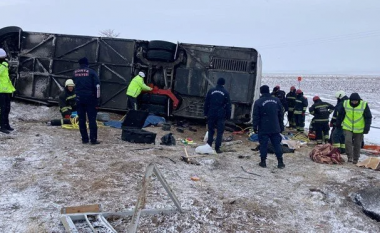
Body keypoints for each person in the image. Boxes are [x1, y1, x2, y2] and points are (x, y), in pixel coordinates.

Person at [252, 85, 285, 169]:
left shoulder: (258, 102)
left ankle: (263, 162)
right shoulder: (276, 100)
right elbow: (281, 115)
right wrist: (281, 126)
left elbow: (256, 116)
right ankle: (280, 162)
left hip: (263, 127)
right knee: (277, 144)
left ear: (261, 92)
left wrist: (255, 127)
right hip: (275, 126)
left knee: (263, 145)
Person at [336, 93, 372, 164]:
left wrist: (367, 127)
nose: (354, 102)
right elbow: (341, 114)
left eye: (355, 101)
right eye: (352, 101)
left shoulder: (364, 105)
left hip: (359, 128)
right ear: (350, 100)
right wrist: (338, 123)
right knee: (347, 141)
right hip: (347, 126)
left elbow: (368, 117)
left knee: (357, 144)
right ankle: (350, 157)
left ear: (358, 100)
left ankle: (356, 159)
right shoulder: (345, 103)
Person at [72, 57, 101, 145]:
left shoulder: (75, 73)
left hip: (79, 98)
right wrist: (98, 100)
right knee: (92, 119)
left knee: (81, 119)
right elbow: (98, 86)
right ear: (87, 63)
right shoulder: (91, 72)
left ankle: (84, 139)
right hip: (90, 99)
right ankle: (93, 139)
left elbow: (74, 85)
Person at [204, 78, 231, 154]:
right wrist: (228, 116)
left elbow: (206, 103)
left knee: (211, 130)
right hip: (221, 114)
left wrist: (205, 113)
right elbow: (228, 106)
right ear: (223, 84)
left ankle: (209, 145)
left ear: (217, 82)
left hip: (211, 113)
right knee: (219, 132)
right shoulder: (225, 92)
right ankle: (217, 148)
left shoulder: (211, 91)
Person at [0, 48, 16, 134]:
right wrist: (4, 65)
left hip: (6, 91)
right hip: (1, 91)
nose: (4, 59)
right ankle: (2, 126)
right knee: (2, 109)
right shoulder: (3, 65)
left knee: (7, 109)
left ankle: (6, 124)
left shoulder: (3, 64)